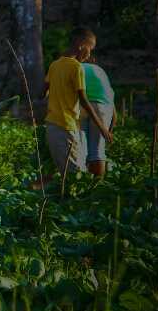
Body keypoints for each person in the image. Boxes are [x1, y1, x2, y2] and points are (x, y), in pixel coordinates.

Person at [34, 26, 111, 190]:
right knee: (77, 178)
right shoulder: (76, 68)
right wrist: (102, 128)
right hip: (67, 126)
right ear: (82, 46)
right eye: (90, 49)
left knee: (66, 176)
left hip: (52, 126)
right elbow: (84, 101)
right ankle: (82, 207)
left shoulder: (55, 65)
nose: (90, 54)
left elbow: (41, 93)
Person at [81, 51, 115, 178]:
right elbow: (114, 111)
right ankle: (97, 187)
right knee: (97, 150)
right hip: (104, 107)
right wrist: (107, 131)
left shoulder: (77, 67)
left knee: (82, 148)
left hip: (81, 105)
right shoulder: (101, 72)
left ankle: (81, 183)